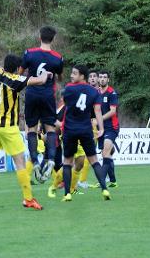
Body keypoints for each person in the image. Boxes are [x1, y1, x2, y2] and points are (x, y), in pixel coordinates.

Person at [0, 54, 50, 210]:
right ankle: (28, 199)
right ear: (18, 69)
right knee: (20, 163)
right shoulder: (16, 80)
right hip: (8, 128)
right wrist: (46, 73)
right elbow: (41, 81)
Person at [20, 26, 64, 183]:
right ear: (53, 39)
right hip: (47, 96)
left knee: (31, 129)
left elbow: (19, 74)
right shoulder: (57, 58)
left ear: (40, 37)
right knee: (50, 128)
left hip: (32, 94)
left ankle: (35, 161)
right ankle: (51, 159)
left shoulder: (29, 53)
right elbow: (59, 78)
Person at [59, 66, 110, 202]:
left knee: (68, 162)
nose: (71, 75)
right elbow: (98, 111)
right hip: (86, 129)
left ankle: (67, 194)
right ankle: (104, 189)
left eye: (75, 73)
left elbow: (65, 103)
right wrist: (101, 128)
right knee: (94, 160)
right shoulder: (94, 92)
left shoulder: (68, 89)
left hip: (70, 129)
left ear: (82, 76)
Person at [77, 69, 100, 189]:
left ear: (97, 78)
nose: (92, 78)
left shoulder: (99, 92)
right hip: (87, 124)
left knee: (91, 153)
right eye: (90, 76)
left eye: (94, 76)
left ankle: (82, 179)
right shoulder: (85, 91)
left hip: (96, 125)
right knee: (88, 153)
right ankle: (81, 180)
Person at [98, 71, 120, 187]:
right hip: (101, 128)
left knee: (106, 151)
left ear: (108, 80)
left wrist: (99, 118)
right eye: (100, 77)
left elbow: (113, 111)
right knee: (106, 155)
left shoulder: (112, 93)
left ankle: (101, 179)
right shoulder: (96, 93)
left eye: (104, 77)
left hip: (112, 128)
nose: (102, 79)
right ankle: (113, 181)